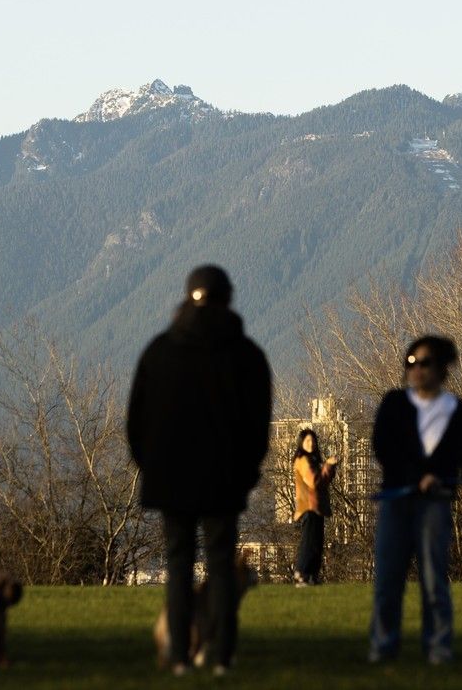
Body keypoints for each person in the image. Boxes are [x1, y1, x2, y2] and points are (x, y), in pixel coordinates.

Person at [127, 265, 272, 677]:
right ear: (229, 297)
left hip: (171, 479)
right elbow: (258, 425)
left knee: (178, 565)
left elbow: (137, 421)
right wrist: (247, 471)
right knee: (222, 565)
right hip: (225, 480)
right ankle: (222, 654)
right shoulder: (247, 355)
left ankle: (178, 656)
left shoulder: (160, 351)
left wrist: (150, 466)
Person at [368, 335, 462, 666]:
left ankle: (438, 647)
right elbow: (383, 447)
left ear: (443, 369)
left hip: (435, 505)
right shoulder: (393, 403)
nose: (417, 369)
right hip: (396, 502)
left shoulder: (458, 411)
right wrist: (416, 476)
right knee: (388, 579)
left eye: (425, 363)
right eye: (411, 363)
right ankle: (383, 646)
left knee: (434, 579)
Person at [292, 429, 338, 586]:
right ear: (301, 443)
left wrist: (328, 468)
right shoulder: (303, 460)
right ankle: (302, 572)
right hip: (309, 507)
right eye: (307, 441)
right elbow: (315, 482)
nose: (311, 444)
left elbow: (322, 482)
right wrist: (328, 466)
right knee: (309, 542)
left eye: (313, 441)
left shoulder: (311, 460)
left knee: (317, 542)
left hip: (315, 507)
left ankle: (311, 575)